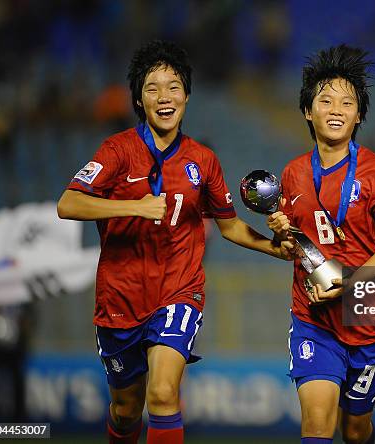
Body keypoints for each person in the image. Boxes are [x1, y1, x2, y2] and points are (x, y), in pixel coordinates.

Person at [57, 40, 293, 444]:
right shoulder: (116, 151)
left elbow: (230, 226)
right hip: (119, 298)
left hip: (178, 292)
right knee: (126, 409)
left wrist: (275, 248)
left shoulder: (204, 160)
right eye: (153, 87)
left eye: (174, 87)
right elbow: (68, 203)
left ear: (186, 96)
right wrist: (134, 207)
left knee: (164, 392)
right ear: (138, 98)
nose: (165, 97)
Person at [267, 44, 375, 444]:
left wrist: (350, 282)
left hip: (370, 323)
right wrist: (280, 228)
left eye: (347, 102)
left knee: (356, 429)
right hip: (315, 322)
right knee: (316, 425)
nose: (335, 109)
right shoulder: (292, 174)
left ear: (359, 115)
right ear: (308, 111)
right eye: (325, 100)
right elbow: (295, 243)